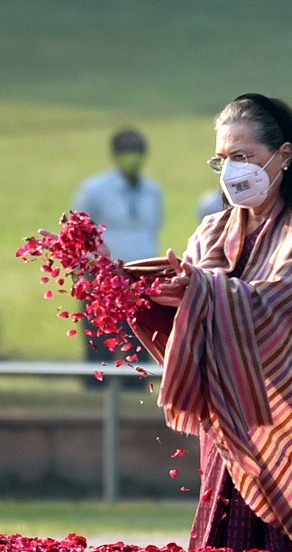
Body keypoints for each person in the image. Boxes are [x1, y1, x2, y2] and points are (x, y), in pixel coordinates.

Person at [129, 93, 292, 552]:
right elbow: (193, 322)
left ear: (284, 155)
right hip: (232, 428)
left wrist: (200, 290)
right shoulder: (212, 231)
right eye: (221, 160)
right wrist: (151, 294)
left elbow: (291, 298)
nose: (231, 171)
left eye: (243, 158)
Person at [73, 129, 164, 380]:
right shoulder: (94, 190)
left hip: (140, 277)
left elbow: (153, 228)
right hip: (103, 277)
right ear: (114, 154)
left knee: (138, 338)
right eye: (126, 151)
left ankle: (135, 391)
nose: (132, 156)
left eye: (136, 150)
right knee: (100, 338)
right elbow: (80, 232)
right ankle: (96, 394)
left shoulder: (153, 192)